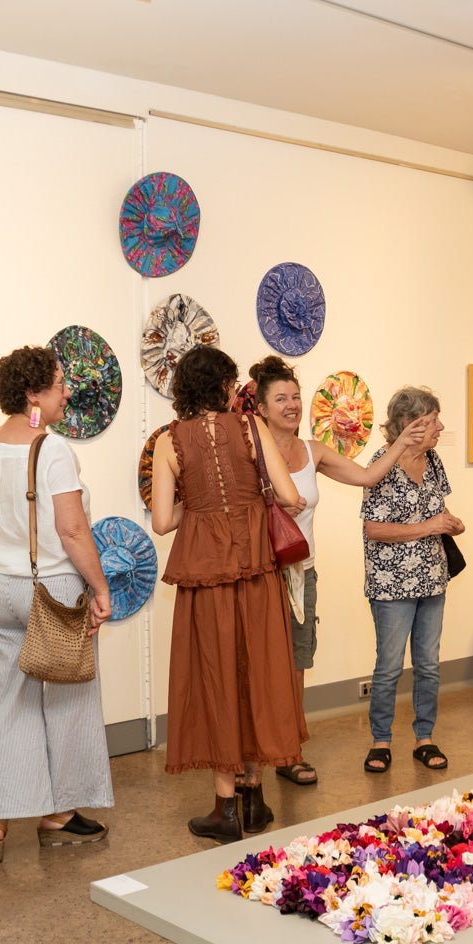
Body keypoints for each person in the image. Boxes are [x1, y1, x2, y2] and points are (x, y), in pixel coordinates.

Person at [247, 355, 430, 786]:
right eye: (281, 399)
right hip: (259, 575)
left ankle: (290, 753)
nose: (292, 405)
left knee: (295, 664)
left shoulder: (314, 451)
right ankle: (250, 758)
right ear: (261, 408)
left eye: (295, 396)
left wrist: (401, 442)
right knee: (256, 667)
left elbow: (367, 477)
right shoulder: (249, 452)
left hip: (301, 574)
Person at [151, 346, 308, 842]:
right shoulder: (250, 427)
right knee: (258, 671)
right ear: (224, 386)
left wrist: (195, 507)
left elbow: (161, 521)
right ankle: (256, 798)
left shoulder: (167, 442)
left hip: (205, 574)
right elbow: (287, 496)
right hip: (256, 569)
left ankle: (225, 807)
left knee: (215, 676)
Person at [0, 346, 114, 864]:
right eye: (58, 384)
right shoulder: (51, 450)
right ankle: (58, 817)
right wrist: (99, 589)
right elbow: (71, 530)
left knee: (5, 703)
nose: (66, 392)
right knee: (69, 701)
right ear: (33, 395)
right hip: (49, 589)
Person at [359, 385, 462, 773]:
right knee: (388, 666)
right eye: (433, 420)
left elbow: (438, 507)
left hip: (433, 580)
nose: (440, 426)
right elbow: (374, 529)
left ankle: (425, 737)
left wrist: (450, 522)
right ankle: (380, 740)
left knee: (429, 664)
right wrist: (429, 526)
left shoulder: (433, 462)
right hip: (391, 585)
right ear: (409, 424)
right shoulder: (381, 463)